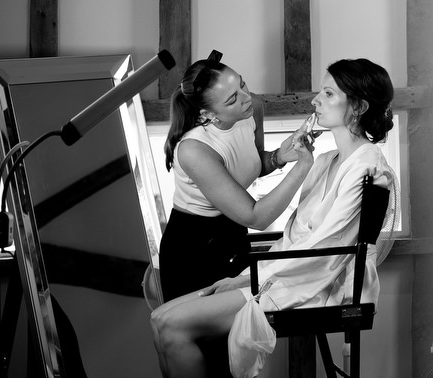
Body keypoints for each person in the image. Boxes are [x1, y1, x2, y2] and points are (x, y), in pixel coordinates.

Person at [150, 58, 398, 378]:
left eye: (328, 93)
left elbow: (326, 246)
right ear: (208, 114)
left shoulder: (367, 166)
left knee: (170, 325)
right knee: (159, 320)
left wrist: (251, 278)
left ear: (359, 107)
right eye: (232, 97)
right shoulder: (325, 161)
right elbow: (293, 235)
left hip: (306, 280)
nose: (314, 100)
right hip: (220, 252)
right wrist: (243, 278)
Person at [158, 51, 316, 303]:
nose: (246, 98)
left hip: (232, 232)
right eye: (232, 99)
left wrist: (279, 157)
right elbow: (256, 216)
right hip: (193, 245)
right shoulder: (195, 149)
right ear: (207, 114)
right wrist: (303, 167)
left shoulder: (252, 108)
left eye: (242, 83)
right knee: (198, 334)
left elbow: (251, 163)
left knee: (239, 332)